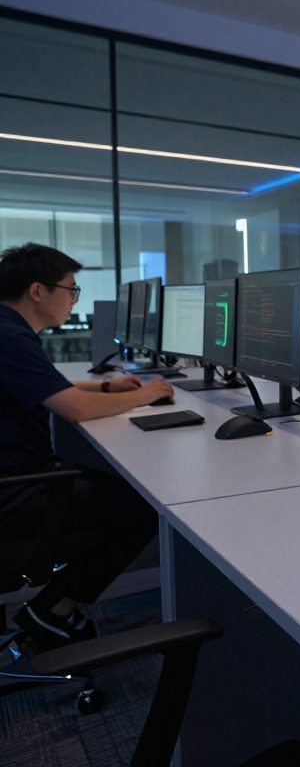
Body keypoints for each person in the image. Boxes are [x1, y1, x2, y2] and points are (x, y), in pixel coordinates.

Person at [0, 243, 171, 650]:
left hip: (15, 477)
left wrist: (107, 387)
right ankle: (52, 608)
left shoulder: (7, 328)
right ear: (38, 291)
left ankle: (59, 598)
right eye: (71, 289)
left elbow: (48, 384)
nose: (73, 298)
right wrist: (145, 396)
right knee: (144, 507)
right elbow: (74, 409)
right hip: (14, 493)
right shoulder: (9, 337)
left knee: (112, 485)